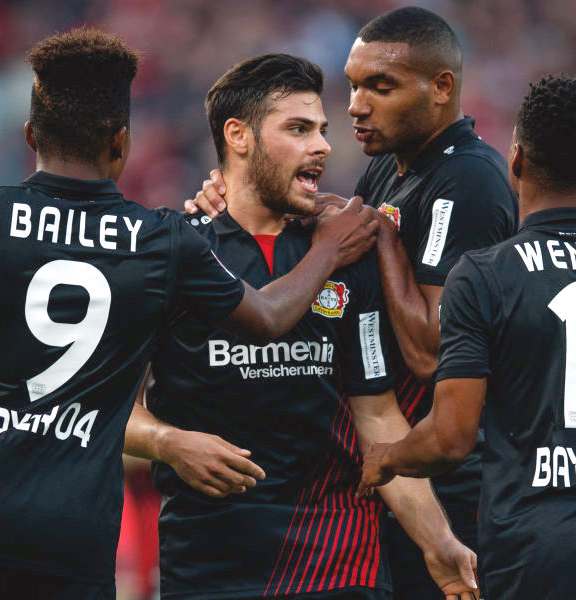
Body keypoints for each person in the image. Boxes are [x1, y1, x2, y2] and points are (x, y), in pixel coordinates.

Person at [0, 29, 379, 600]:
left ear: (30, 134)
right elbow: (270, 316)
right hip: (75, 543)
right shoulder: (160, 242)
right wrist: (328, 249)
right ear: (121, 142)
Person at [186, 8, 517, 599]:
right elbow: (335, 232)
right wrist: (233, 193)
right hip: (383, 474)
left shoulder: (468, 180)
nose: (357, 106)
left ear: (441, 87)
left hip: (447, 481)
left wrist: (378, 233)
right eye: (355, 86)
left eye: (380, 87)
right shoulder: (389, 169)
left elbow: (432, 354)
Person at [124, 54, 478, 600]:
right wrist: (167, 442)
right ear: (238, 136)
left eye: (321, 130)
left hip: (341, 565)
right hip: (209, 567)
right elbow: (109, 405)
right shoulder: (171, 251)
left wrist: (438, 541)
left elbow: (377, 415)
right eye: (298, 129)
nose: (322, 146)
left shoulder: (347, 251)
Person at [358, 74, 576, 599]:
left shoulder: (485, 275)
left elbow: (451, 437)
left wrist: (388, 458)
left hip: (535, 550)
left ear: (516, 159)